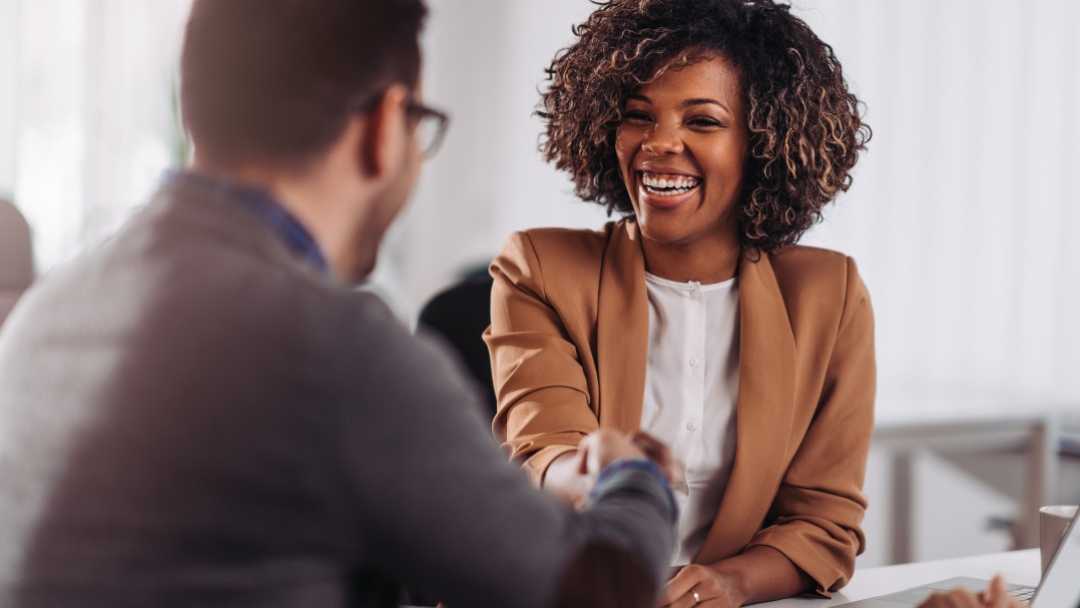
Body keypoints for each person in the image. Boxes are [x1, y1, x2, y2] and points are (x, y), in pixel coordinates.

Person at [0, 1, 680, 606]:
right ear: (387, 123)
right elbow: (596, 587)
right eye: (421, 124)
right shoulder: (332, 347)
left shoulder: (47, 312)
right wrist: (635, 478)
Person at [485, 1, 875, 606]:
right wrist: (596, 470)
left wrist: (728, 584)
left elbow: (823, 524)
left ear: (762, 143)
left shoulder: (828, 295)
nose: (659, 143)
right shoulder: (539, 269)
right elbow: (542, 452)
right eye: (639, 116)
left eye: (703, 121)